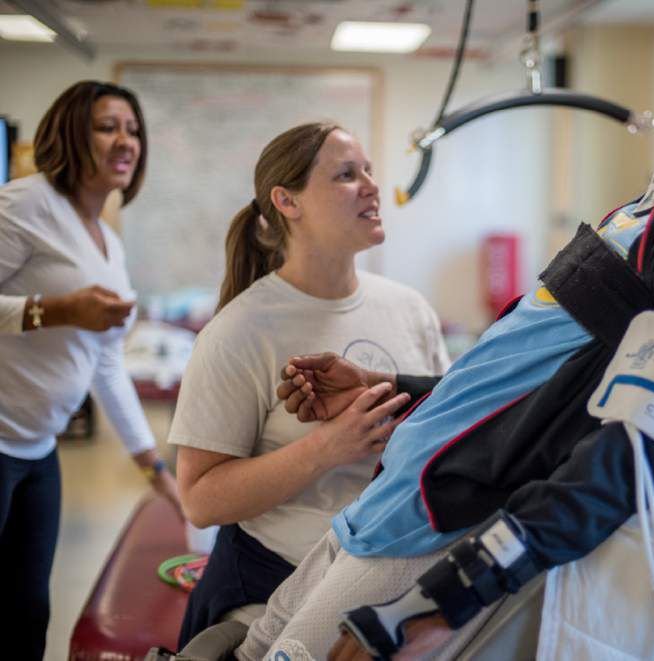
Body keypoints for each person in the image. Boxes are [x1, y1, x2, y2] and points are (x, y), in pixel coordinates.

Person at [238, 9, 654, 661]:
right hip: (393, 492)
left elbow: (640, 446)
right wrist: (393, 388)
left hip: (437, 524)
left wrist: (454, 593)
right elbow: (536, 375)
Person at [169, 122, 450, 646]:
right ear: (287, 201)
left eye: (368, 171)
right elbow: (201, 501)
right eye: (346, 175)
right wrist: (327, 448)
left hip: (393, 581)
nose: (371, 186)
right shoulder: (239, 332)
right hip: (279, 588)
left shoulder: (410, 309)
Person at [0, 80, 182, 659]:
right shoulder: (26, 203)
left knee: (29, 612)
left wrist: (156, 469)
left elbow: (104, 363)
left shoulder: (107, 242)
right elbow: (58, 314)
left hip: (38, 452)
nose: (125, 141)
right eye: (108, 127)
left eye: (133, 130)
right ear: (71, 134)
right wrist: (54, 310)